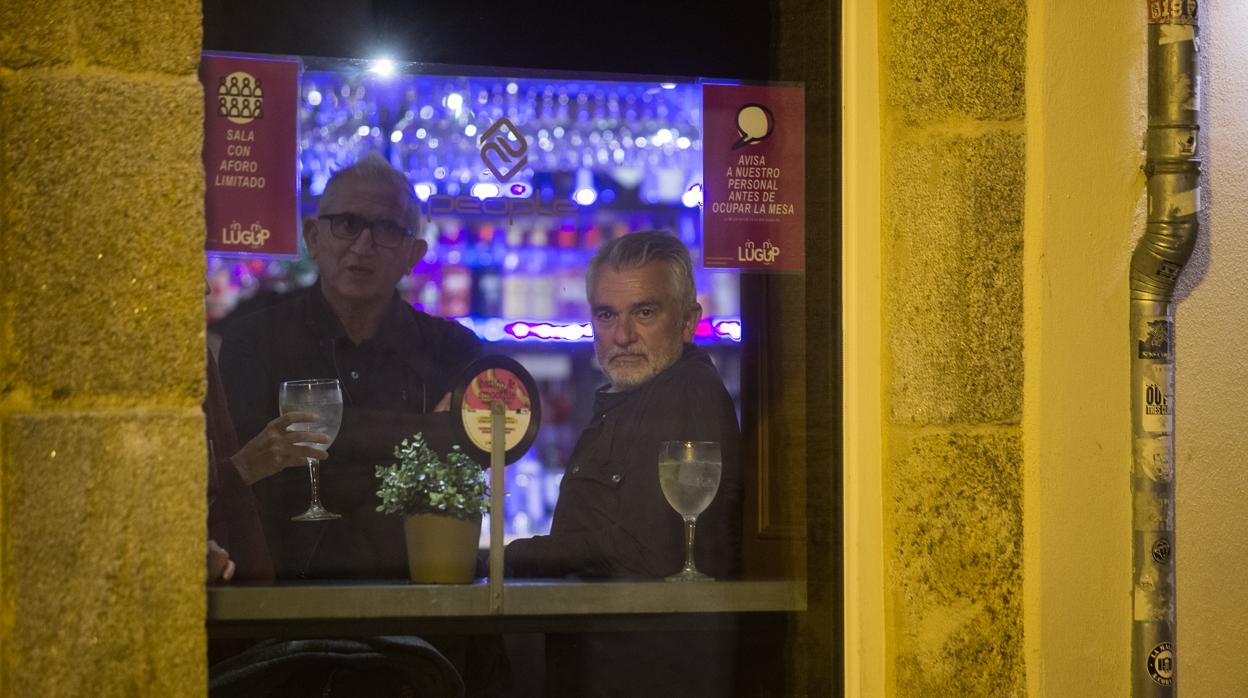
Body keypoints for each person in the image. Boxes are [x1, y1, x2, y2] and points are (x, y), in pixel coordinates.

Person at [219, 152, 484, 580]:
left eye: (386, 229)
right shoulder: (255, 340)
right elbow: (239, 472)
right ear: (313, 236)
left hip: (420, 605)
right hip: (281, 606)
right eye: (346, 223)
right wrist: (427, 432)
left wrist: (329, 441)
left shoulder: (452, 348)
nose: (363, 245)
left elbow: (489, 439)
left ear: (413, 254)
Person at [504, 230, 742, 696]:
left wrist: (504, 557)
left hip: (649, 671)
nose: (622, 335)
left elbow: (643, 548)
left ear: (688, 319)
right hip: (609, 665)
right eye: (606, 314)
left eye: (645, 312)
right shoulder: (637, 397)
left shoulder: (685, 393)